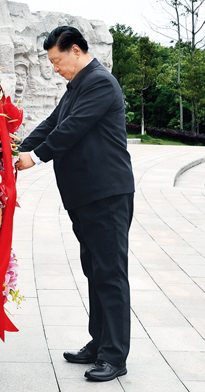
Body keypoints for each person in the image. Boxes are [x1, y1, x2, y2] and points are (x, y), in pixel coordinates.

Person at [16, 25, 135, 382]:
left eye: (57, 61)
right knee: (95, 270)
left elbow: (72, 130)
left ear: (76, 52)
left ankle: (114, 355)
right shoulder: (77, 86)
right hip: (86, 196)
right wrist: (17, 148)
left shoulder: (98, 82)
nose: (55, 68)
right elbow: (54, 123)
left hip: (107, 194)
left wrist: (34, 158)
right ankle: (99, 344)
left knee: (110, 274)